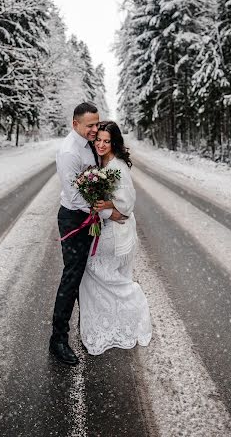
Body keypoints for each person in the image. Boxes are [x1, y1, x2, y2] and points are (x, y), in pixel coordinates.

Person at [50, 103, 126, 366]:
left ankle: (91, 327)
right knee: (72, 276)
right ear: (75, 125)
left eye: (97, 123)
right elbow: (75, 196)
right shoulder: (69, 153)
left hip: (91, 216)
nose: (95, 129)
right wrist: (109, 214)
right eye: (90, 125)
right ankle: (58, 340)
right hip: (74, 218)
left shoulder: (90, 143)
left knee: (89, 272)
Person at [79, 120, 152, 355]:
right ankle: (111, 324)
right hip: (107, 227)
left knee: (95, 272)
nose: (100, 144)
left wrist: (108, 204)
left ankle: (134, 299)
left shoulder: (117, 166)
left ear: (114, 143)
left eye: (106, 141)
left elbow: (126, 207)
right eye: (98, 139)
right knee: (99, 277)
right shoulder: (101, 162)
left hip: (117, 231)